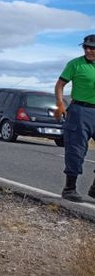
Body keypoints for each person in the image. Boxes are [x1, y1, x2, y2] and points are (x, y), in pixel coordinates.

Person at [54, 34, 95, 202]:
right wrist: (60, 104)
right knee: (76, 150)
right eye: (85, 47)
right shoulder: (75, 64)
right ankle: (69, 188)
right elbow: (60, 84)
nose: (88, 50)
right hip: (80, 111)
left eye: (92, 47)